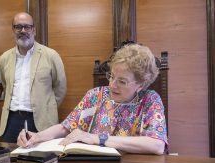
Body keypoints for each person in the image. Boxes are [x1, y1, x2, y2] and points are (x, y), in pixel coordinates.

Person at [17, 43, 168, 155]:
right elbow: (66, 126)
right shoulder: (95, 95)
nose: (112, 85)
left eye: (122, 81)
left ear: (141, 85)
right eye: (112, 76)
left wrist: (97, 138)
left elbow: (156, 145)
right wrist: (37, 136)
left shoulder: (150, 100)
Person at [0, 12, 67, 143]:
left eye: (27, 27)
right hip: (11, 120)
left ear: (34, 30)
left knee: (42, 160)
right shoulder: (5, 58)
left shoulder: (50, 55)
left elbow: (60, 88)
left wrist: (46, 107)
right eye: (18, 27)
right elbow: (5, 85)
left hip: (41, 121)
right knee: (10, 160)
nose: (23, 31)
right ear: (13, 30)